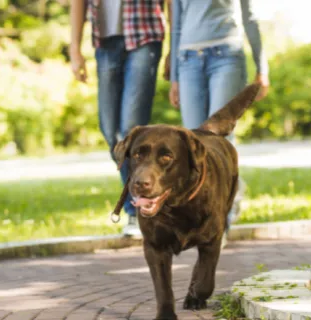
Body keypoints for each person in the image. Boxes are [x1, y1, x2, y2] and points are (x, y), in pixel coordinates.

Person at [168, 0, 270, 246]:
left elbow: (250, 16)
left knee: (217, 139)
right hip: (188, 60)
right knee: (192, 145)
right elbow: (176, 25)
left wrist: (262, 66)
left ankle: (219, 222)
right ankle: (217, 203)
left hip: (226, 56)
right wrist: (174, 78)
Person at [69, 0, 169, 237]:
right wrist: (74, 47)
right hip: (105, 41)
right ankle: (150, 199)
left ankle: (137, 209)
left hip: (144, 34)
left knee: (130, 129)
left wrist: (174, 50)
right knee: (111, 131)